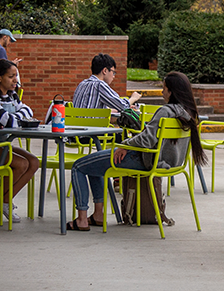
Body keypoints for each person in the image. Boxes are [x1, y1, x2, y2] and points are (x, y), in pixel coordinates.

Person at [68, 71, 206, 231]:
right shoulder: (190, 114)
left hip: (143, 159)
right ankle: (97, 215)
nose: (162, 92)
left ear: (171, 91)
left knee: (78, 166)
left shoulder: (166, 111)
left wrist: (124, 145)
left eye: (164, 89)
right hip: (170, 164)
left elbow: (146, 140)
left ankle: (82, 219)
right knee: (94, 165)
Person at [0, 59, 41, 221]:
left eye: (16, 76)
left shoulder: (11, 96)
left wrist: (15, 116)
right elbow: (10, 121)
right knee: (21, 163)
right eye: (11, 76)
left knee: (34, 162)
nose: (15, 80)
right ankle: (3, 200)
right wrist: (18, 116)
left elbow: (28, 110)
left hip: (2, 144)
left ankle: (1, 197)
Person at [72, 53, 142, 111]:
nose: (114, 76)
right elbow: (122, 106)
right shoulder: (99, 85)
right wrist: (133, 98)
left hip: (76, 126)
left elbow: (90, 107)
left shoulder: (82, 84)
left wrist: (115, 109)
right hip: (92, 126)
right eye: (113, 72)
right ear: (105, 71)